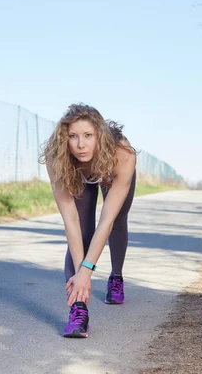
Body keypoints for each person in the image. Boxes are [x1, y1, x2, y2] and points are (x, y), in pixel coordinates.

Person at [39, 103, 137, 338]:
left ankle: (116, 276)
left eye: (88, 136)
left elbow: (107, 220)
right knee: (82, 231)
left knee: (119, 220)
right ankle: (78, 310)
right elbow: (70, 220)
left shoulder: (123, 154)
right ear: (66, 138)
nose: (81, 144)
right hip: (79, 176)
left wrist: (88, 269)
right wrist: (80, 274)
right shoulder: (58, 157)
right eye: (73, 136)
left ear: (99, 135)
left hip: (108, 169)